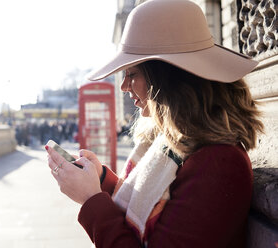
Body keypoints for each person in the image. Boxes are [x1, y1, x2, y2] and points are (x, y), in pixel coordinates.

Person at [45, 0, 264, 247]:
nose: (124, 86)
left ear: (168, 79)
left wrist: (91, 199)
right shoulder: (180, 143)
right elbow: (152, 202)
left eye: (133, 74)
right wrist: (102, 180)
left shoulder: (219, 163)